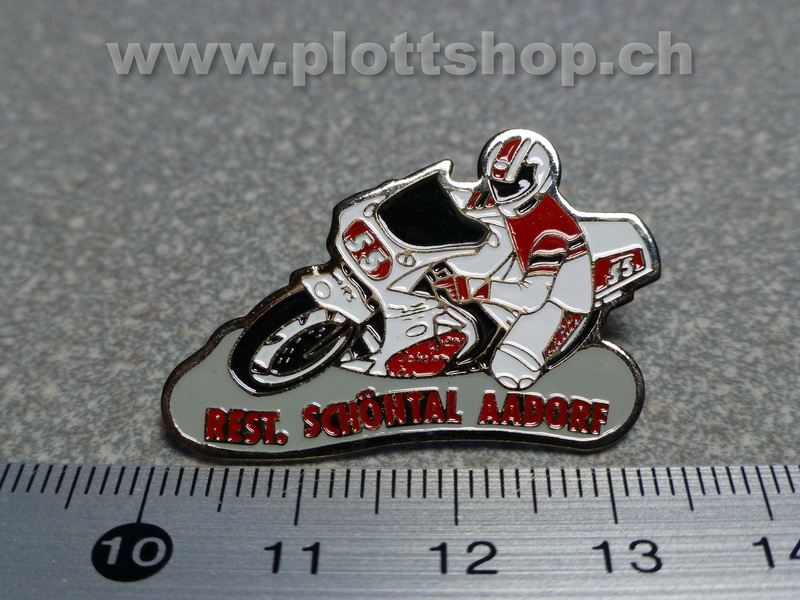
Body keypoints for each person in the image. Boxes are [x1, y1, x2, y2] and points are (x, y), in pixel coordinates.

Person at [435, 129, 593, 390]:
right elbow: (460, 199)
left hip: (559, 304)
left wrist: (472, 287)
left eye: (513, 186)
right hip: (522, 274)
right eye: (497, 185)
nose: (502, 194)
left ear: (539, 178)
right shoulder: (504, 199)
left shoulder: (552, 233)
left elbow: (532, 297)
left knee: (511, 369)